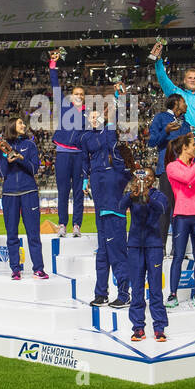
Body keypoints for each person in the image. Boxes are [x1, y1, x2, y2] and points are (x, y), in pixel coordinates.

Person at [69, 104, 133, 308]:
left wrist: (116, 102)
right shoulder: (85, 138)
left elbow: (117, 136)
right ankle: (101, 292)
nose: (94, 119)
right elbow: (84, 162)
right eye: (91, 116)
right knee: (103, 246)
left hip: (113, 180)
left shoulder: (111, 131)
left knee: (116, 245)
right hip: (97, 182)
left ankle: (124, 293)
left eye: (97, 116)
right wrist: (86, 180)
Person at [118, 169, 169, 341]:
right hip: (134, 246)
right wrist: (131, 195)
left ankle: (159, 327)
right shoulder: (132, 193)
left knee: (155, 289)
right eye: (141, 176)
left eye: (148, 177)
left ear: (153, 180)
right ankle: (138, 327)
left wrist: (148, 196)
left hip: (153, 245)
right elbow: (119, 207)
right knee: (137, 289)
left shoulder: (158, 195)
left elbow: (162, 208)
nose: (144, 179)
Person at [165, 132, 195, 307]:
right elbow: (187, 178)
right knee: (178, 256)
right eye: (193, 145)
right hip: (181, 217)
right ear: (184, 148)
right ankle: (172, 294)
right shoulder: (172, 167)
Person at [0, 118, 49, 280]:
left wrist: (21, 158)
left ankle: (38, 269)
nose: (24, 125)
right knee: (11, 234)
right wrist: (7, 159)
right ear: (12, 126)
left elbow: (34, 169)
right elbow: (3, 173)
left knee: (33, 233)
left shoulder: (30, 145)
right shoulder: (1, 148)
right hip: (9, 194)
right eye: (20, 123)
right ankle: (15, 269)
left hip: (29, 192)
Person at [48, 51, 87, 238]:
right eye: (76, 94)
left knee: (78, 192)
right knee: (63, 191)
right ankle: (62, 224)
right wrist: (53, 65)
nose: (78, 96)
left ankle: (77, 225)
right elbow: (55, 87)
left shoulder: (89, 115)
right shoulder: (64, 106)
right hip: (63, 152)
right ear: (71, 97)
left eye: (81, 94)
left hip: (79, 155)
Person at [147, 94, 191, 255]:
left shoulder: (185, 123)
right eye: (184, 102)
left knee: (181, 210)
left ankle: (178, 248)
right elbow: (151, 141)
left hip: (184, 171)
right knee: (165, 209)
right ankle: (161, 246)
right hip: (167, 169)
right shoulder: (161, 118)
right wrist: (165, 131)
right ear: (176, 103)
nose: (186, 105)